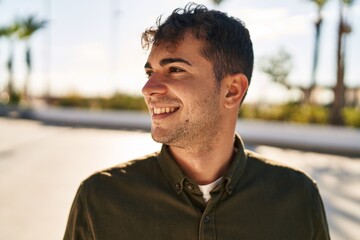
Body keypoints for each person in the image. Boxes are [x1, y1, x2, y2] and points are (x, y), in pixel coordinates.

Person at [64, 3, 330, 239]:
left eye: (175, 70)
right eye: (150, 72)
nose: (148, 89)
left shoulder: (298, 197)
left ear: (232, 90)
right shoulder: (100, 198)